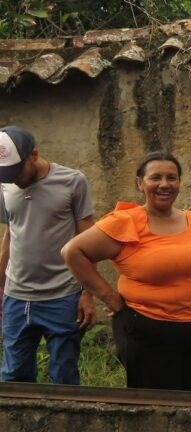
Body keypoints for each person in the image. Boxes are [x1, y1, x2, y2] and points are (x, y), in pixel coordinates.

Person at [62, 151, 191, 391]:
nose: (164, 184)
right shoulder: (125, 221)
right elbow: (73, 252)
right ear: (140, 184)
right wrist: (110, 298)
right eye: (155, 178)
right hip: (146, 331)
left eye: (172, 178)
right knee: (158, 406)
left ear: (179, 183)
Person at [0, 125, 95, 384]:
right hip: (16, 297)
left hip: (62, 295)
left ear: (34, 155)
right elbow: (10, 235)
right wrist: (1, 287)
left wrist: (87, 293)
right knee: (12, 377)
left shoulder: (73, 181)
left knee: (64, 376)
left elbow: (87, 240)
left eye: (16, 171)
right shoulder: (5, 185)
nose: (13, 179)